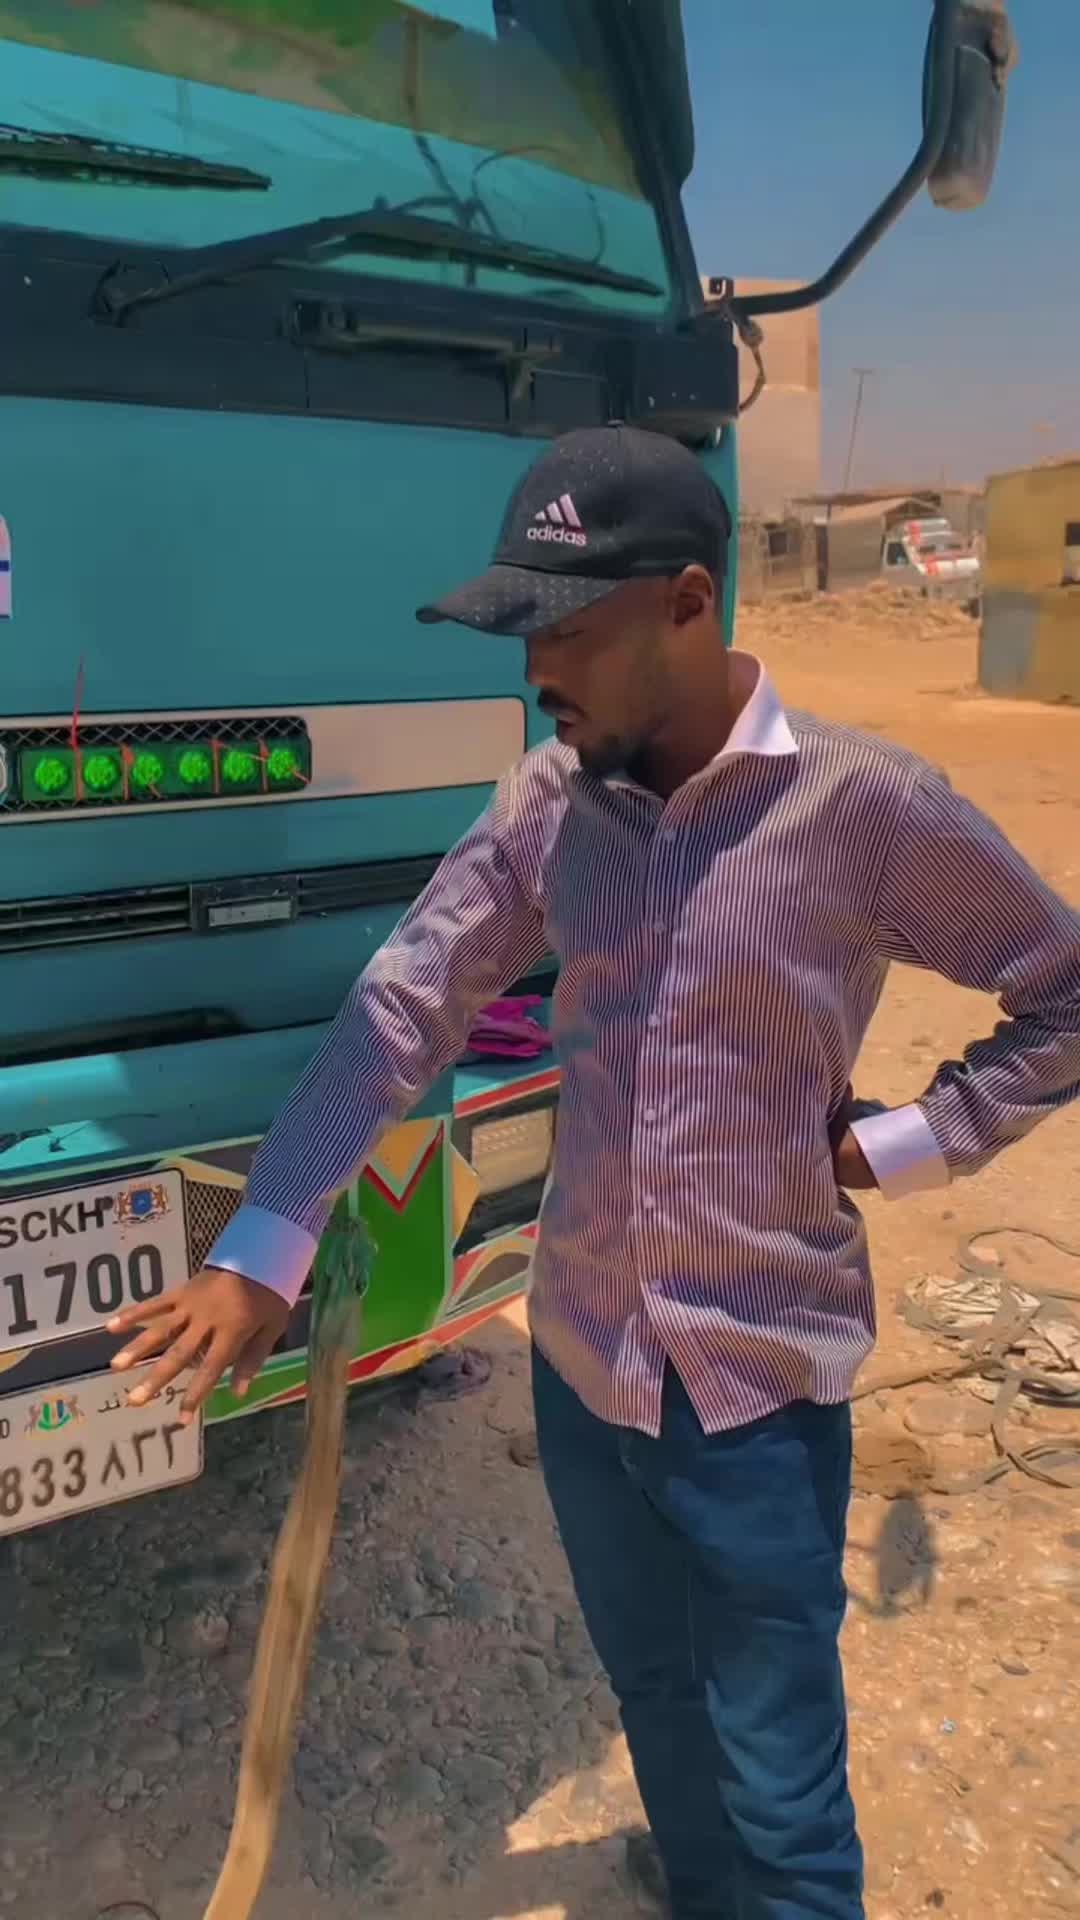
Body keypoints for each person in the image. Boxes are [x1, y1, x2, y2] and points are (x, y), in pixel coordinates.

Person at [109, 426, 1080, 1920]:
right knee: (655, 1696)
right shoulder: (551, 808)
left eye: (566, 630)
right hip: (580, 1366)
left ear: (689, 603)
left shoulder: (868, 810)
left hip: (756, 1391)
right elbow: (403, 1009)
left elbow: (1063, 986)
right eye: (525, 632)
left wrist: (908, 1143)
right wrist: (268, 1235)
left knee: (782, 1782)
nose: (534, 671)